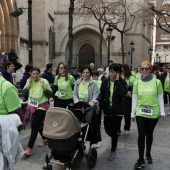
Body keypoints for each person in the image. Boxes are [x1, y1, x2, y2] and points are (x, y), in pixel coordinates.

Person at [131, 61, 165, 169]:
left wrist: (162, 111)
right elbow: (134, 98)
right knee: (141, 134)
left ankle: (148, 154)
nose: (144, 71)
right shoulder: (136, 82)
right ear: (139, 70)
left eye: (146, 69)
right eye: (142, 68)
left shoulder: (157, 82)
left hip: (153, 112)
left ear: (150, 70)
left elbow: (160, 97)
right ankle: (141, 159)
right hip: (140, 112)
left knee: (149, 134)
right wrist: (132, 113)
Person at [98, 63, 128, 161]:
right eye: (110, 71)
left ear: (118, 73)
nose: (111, 73)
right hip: (107, 110)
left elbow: (122, 95)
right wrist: (98, 101)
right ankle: (114, 138)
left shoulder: (123, 82)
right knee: (107, 129)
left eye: (113, 71)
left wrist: (118, 82)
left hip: (118, 111)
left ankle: (113, 149)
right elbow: (102, 94)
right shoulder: (105, 81)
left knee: (114, 129)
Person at [22, 67, 53, 156]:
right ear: (31, 75)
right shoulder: (29, 81)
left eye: (37, 74)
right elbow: (24, 93)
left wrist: (43, 87)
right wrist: (28, 85)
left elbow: (50, 94)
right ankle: (45, 138)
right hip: (31, 106)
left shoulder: (44, 81)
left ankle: (29, 147)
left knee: (34, 125)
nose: (35, 75)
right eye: (33, 74)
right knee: (37, 124)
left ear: (40, 74)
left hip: (42, 106)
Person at [73, 66, 101, 147]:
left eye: (87, 73)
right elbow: (74, 93)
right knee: (78, 123)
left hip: (89, 106)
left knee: (90, 124)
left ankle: (94, 141)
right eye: (83, 73)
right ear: (81, 73)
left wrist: (93, 101)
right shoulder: (77, 82)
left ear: (90, 74)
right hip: (79, 106)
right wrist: (75, 100)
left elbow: (95, 95)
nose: (85, 74)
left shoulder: (94, 83)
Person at [121, 64, 136, 135]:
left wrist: (131, 93)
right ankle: (117, 128)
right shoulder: (117, 77)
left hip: (127, 98)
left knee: (127, 114)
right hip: (119, 98)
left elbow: (135, 89)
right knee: (118, 114)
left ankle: (127, 128)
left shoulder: (131, 78)